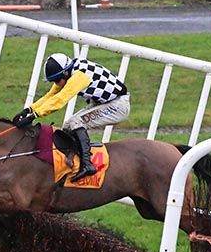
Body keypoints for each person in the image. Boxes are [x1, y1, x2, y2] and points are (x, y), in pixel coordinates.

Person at [12, 53, 130, 182]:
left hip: (117, 106)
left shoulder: (79, 76)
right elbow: (51, 95)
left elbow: (60, 100)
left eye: (57, 80)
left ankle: (87, 164)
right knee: (68, 126)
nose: (56, 83)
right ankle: (73, 162)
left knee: (76, 123)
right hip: (105, 103)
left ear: (65, 73)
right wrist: (29, 110)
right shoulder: (69, 71)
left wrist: (35, 116)